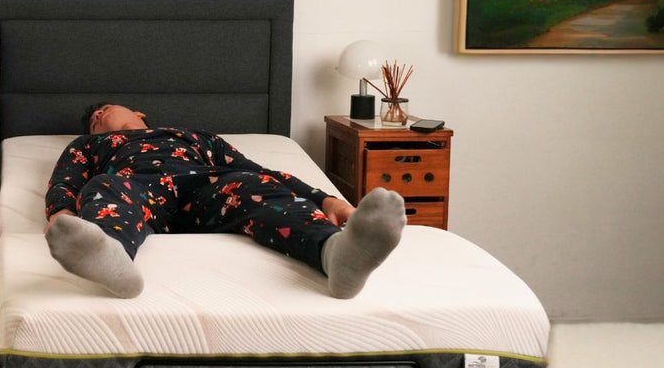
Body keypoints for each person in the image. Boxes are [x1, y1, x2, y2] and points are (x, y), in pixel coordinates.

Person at [44, 102, 404, 299]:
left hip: (207, 187)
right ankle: (114, 260)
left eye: (104, 109)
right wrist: (60, 214)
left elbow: (259, 171)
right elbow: (67, 180)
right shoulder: (90, 145)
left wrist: (325, 200)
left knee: (252, 185)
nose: (97, 116)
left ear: (139, 114)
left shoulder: (194, 136)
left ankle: (336, 254)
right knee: (105, 188)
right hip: (136, 184)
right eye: (93, 121)